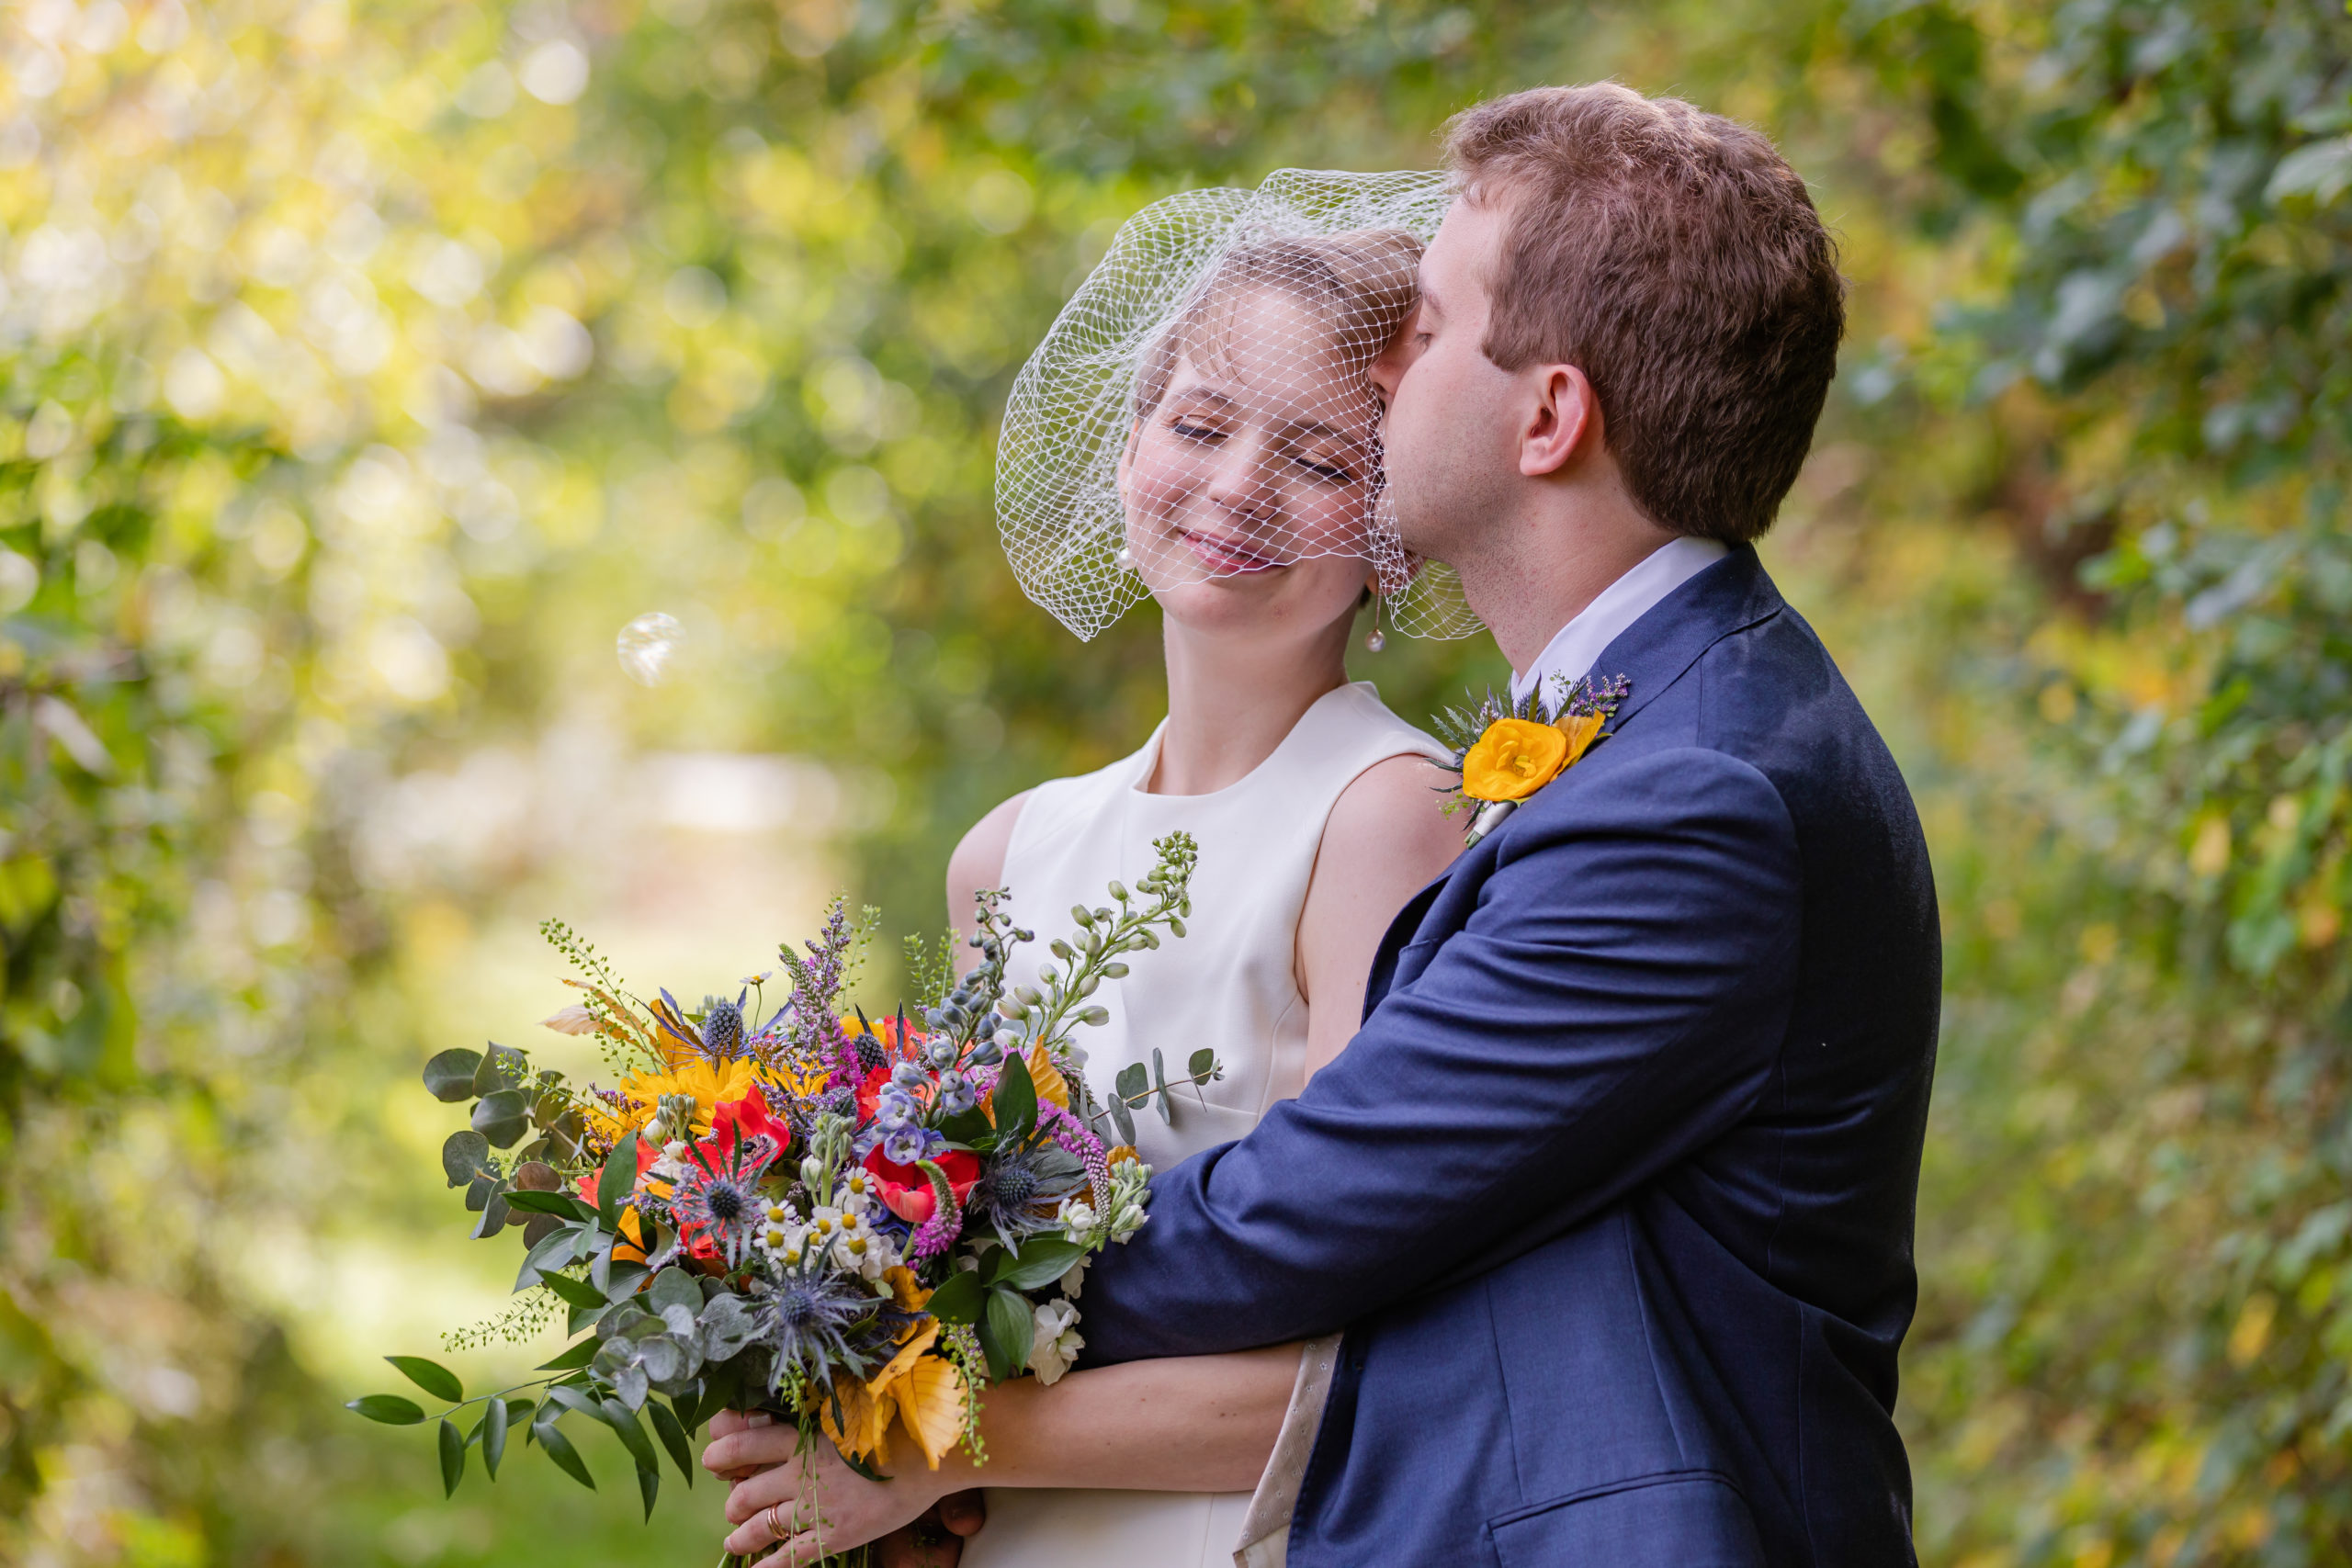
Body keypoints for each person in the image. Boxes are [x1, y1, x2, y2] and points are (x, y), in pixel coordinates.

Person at [712, 80, 1942, 1568]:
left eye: (1426, 327)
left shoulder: (1696, 796)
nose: (1391, 361)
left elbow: (1313, 1214)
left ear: (1548, 416)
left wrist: (892, 1310)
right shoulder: (1652, 725)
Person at [707, 205, 1466, 1565]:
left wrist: (923, 1444)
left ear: (1397, 518)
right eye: (1198, 424)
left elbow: (1353, 1373)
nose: (1236, 487)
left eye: (1317, 458)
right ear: (1126, 448)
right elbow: (982, 1301)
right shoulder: (1009, 856)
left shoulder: (1386, 816)